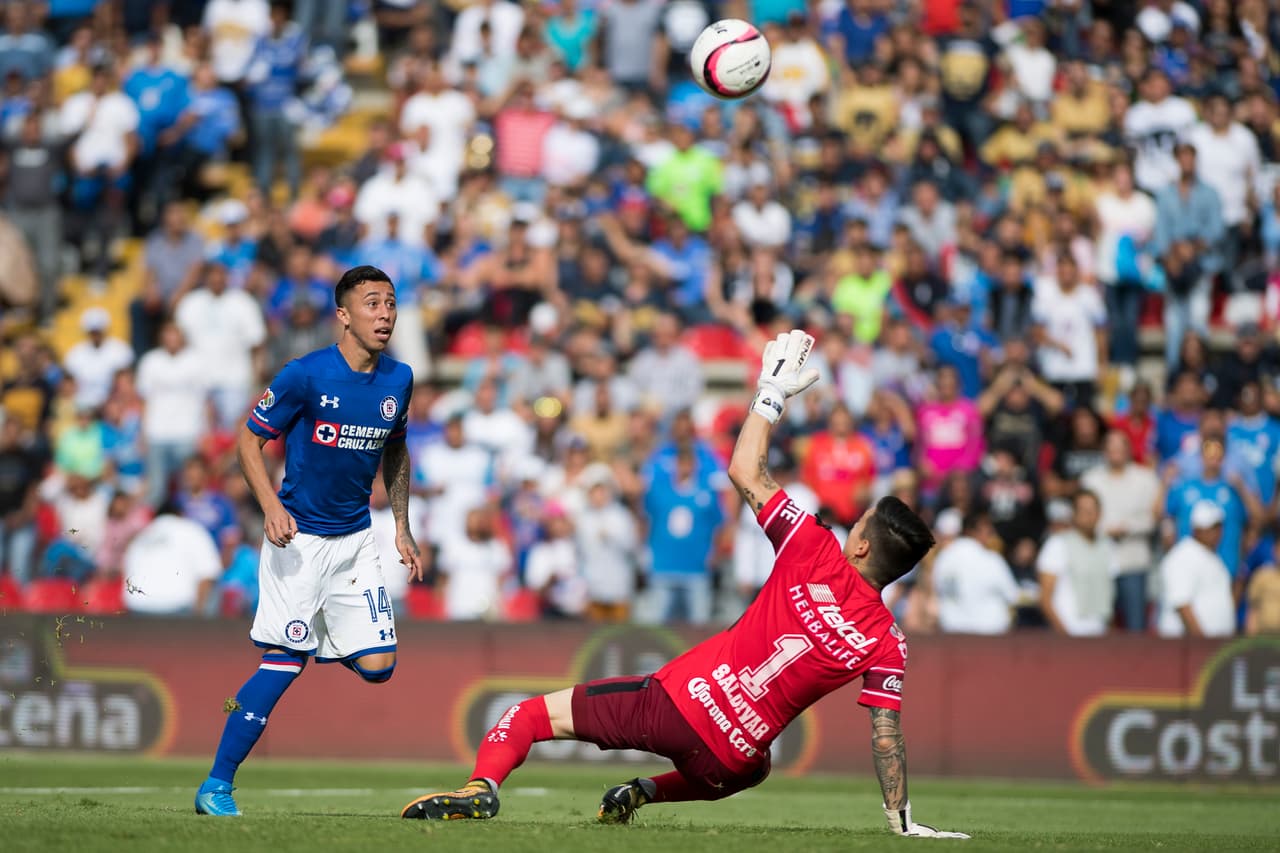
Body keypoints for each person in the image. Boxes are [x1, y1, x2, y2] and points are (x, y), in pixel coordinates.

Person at [401, 330, 968, 840]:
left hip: (675, 704)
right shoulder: (888, 641)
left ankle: (481, 788)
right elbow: (886, 735)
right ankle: (644, 792)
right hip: (731, 756)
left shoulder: (814, 548)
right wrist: (901, 820)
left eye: (860, 525)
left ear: (862, 547)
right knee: (756, 769)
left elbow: (745, 470)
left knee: (527, 716)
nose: (852, 530)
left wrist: (770, 394)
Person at [194, 266, 422, 816]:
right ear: (343, 315)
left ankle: (310, 635)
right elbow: (247, 443)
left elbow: (396, 450)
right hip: (297, 539)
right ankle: (216, 787)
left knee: (380, 666)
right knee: (285, 661)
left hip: (355, 541)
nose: (385, 314)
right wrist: (270, 508)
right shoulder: (304, 374)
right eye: (372, 303)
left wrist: (401, 525)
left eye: (391, 303)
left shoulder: (399, 378)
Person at [1036, 490, 1114, 637]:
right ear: (1073, 513)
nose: (1088, 515)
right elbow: (1045, 597)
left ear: (1099, 513)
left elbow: (1109, 592)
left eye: (1092, 510)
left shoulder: (1107, 545)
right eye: (1083, 510)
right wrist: (1064, 634)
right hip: (1070, 630)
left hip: (1099, 631)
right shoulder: (1057, 544)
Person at [1155, 500, 1236, 638]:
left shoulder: (1211, 556)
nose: (1217, 533)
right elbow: (1182, 604)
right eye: (1211, 528)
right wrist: (1201, 643)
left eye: (1218, 527)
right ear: (1196, 530)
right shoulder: (1183, 556)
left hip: (1211, 645)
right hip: (1186, 646)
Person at [931, 511, 1020, 635]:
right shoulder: (992, 560)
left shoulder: (944, 557)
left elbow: (935, 590)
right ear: (971, 531)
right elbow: (1013, 596)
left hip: (952, 630)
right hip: (990, 632)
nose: (991, 535)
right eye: (988, 531)